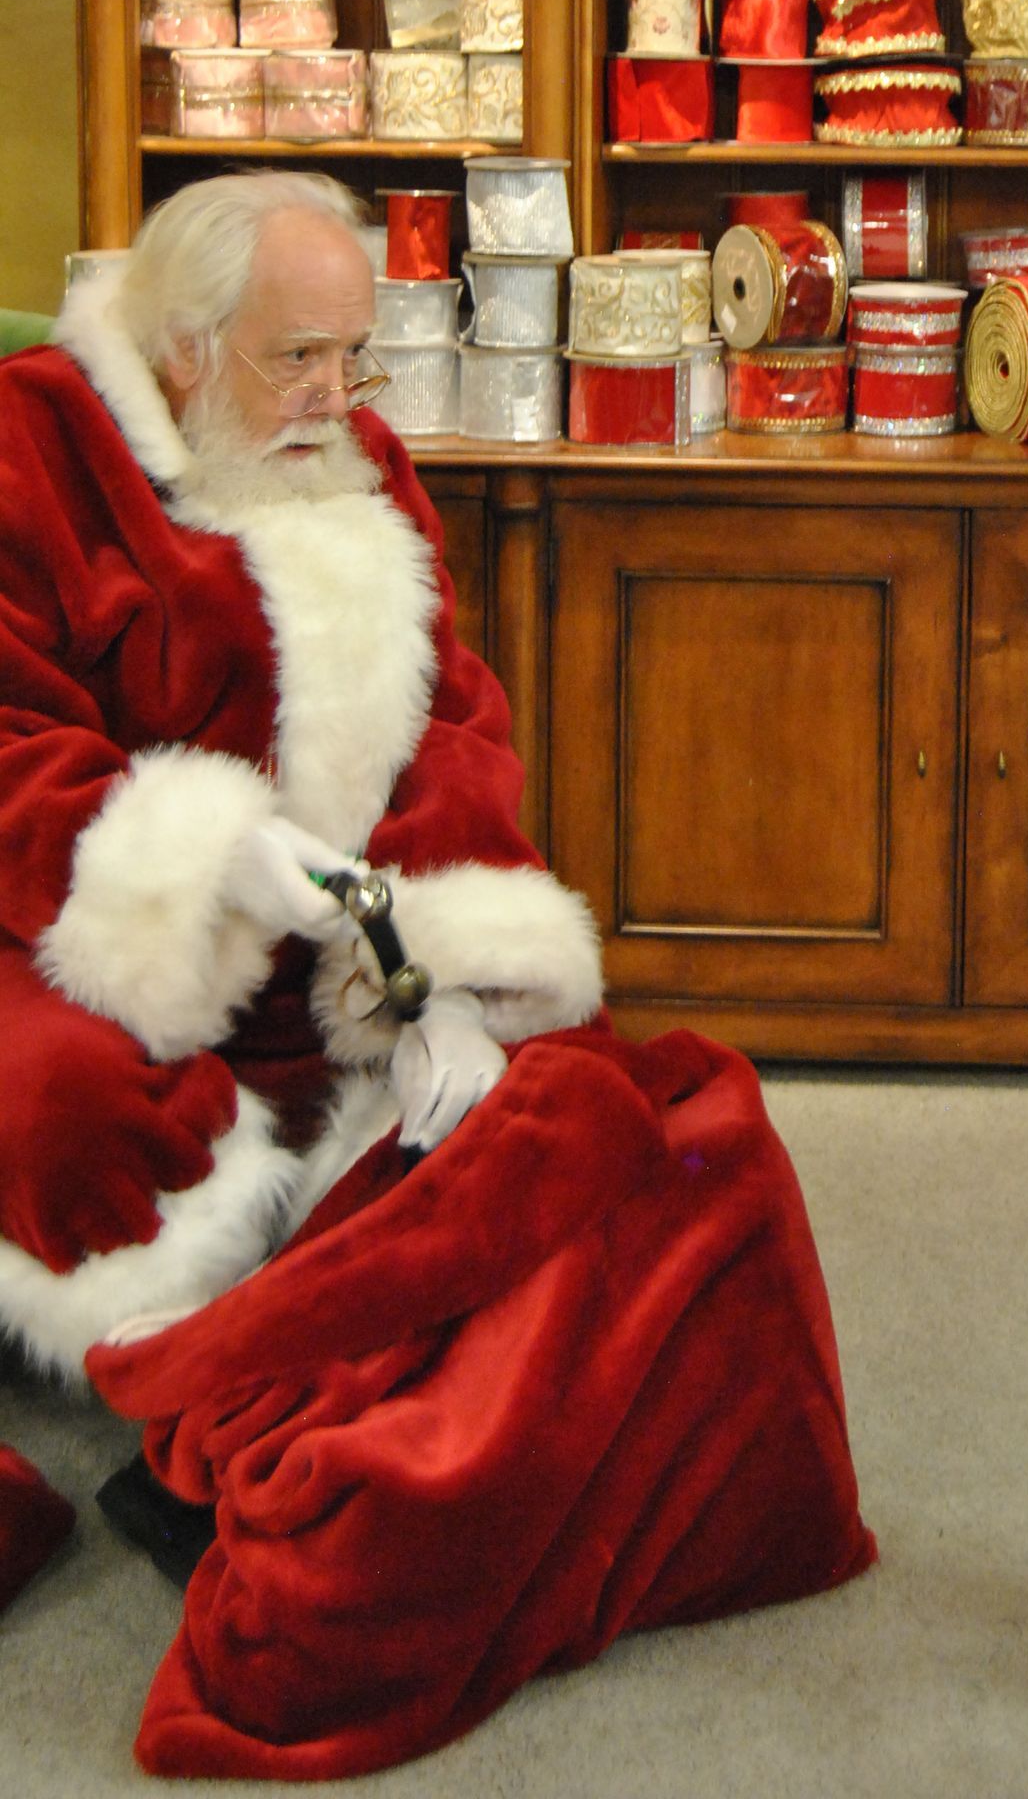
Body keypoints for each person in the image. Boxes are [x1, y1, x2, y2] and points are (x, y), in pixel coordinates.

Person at [0, 174, 872, 1772]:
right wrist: (205, 854)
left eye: (360, 355)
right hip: (90, 941)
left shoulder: (350, 456)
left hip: (346, 943)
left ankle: (363, 1422)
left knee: (607, 1133)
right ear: (184, 348)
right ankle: (210, 1382)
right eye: (299, 357)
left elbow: (450, 726)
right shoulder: (36, 443)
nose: (340, 396)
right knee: (55, 1098)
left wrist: (444, 980)